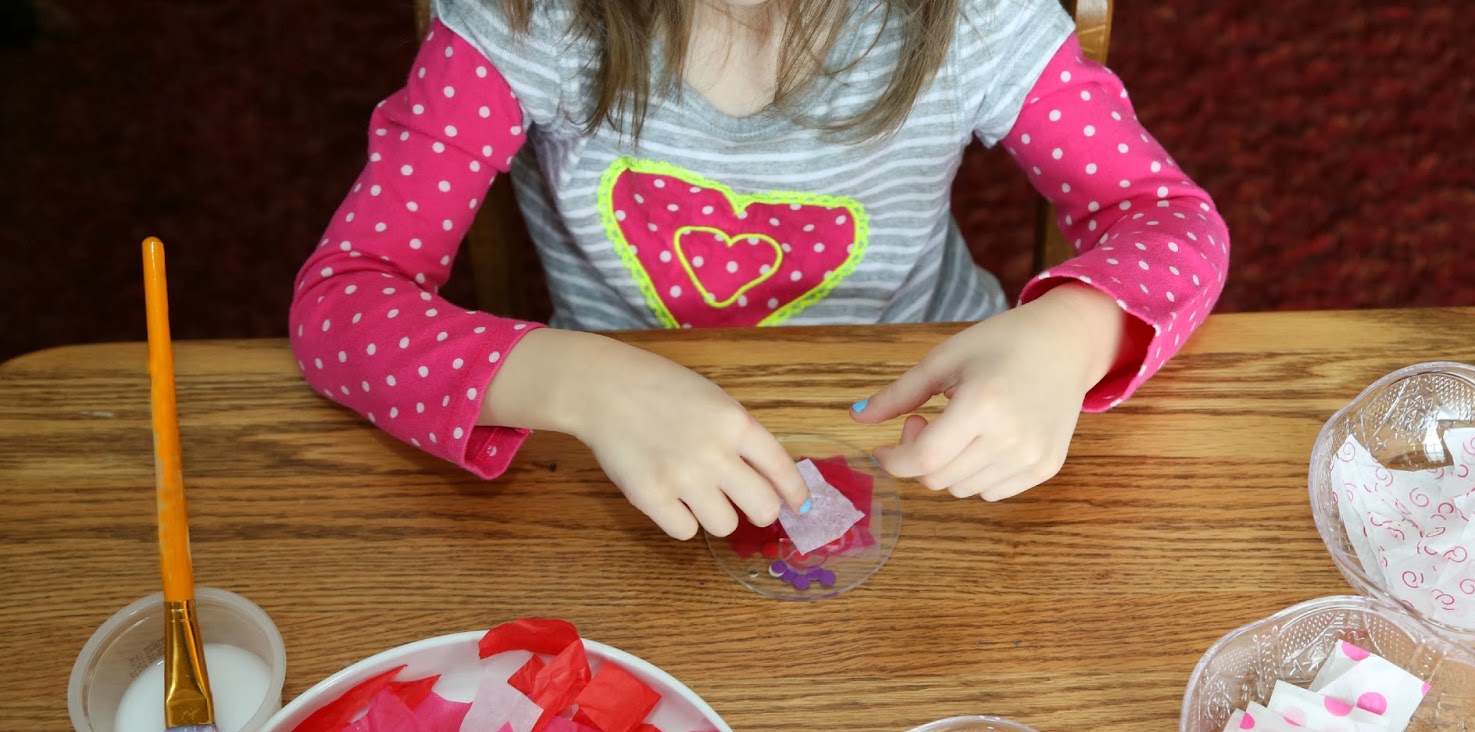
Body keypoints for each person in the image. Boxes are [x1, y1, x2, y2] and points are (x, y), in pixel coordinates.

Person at [289, 0, 1229, 539]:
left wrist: (1070, 338)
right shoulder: (525, 22)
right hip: (624, 456)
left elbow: (1172, 224)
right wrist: (581, 384)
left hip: (935, 439)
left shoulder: (979, 18)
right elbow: (342, 302)